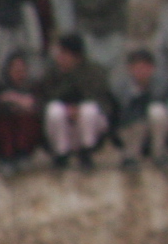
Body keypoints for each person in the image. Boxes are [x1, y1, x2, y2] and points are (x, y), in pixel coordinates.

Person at [39, 33, 114, 168]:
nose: (59, 57)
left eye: (64, 53)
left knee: (89, 110)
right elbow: (47, 98)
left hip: (87, 124)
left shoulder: (94, 71)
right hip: (64, 124)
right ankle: (61, 153)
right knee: (54, 110)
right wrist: (66, 76)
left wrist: (77, 108)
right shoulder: (53, 72)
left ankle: (86, 152)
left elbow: (99, 99)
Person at [109, 46, 168, 165]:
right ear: (130, 68)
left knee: (157, 111)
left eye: (145, 67)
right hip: (129, 131)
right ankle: (130, 157)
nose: (141, 71)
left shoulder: (161, 86)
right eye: (137, 67)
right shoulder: (120, 88)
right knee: (136, 123)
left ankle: (159, 154)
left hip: (152, 131)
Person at [0, 49, 44, 170]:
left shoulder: (34, 86)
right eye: (15, 69)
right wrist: (13, 102)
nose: (19, 73)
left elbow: (38, 106)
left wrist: (21, 102)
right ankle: (6, 157)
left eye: (22, 69)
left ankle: (23, 155)